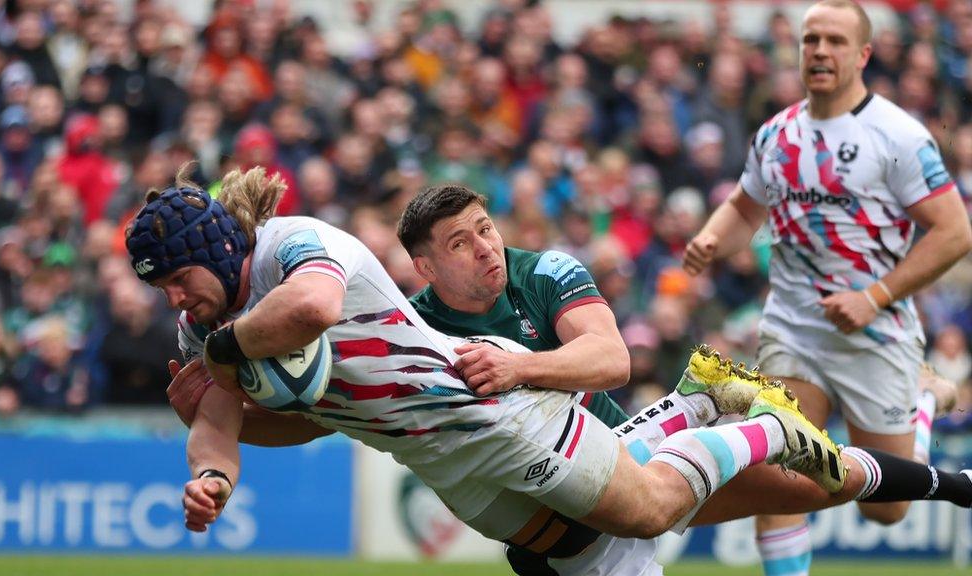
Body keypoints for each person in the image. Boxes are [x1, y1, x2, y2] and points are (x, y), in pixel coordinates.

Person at [162, 181, 972, 575]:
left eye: (486, 229)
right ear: (424, 265)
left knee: (835, 492)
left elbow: (611, 360)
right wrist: (212, 447)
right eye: (461, 241)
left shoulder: (543, 271)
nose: (484, 247)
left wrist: (519, 366)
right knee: (819, 486)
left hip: (598, 450)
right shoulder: (408, 322)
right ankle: (723, 409)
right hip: (582, 476)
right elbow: (315, 414)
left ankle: (913, 460)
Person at [682, 2, 972, 575]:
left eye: (835, 40)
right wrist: (713, 237)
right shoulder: (777, 133)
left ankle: (923, 401)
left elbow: (955, 232)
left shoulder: (898, 136)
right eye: (811, 38)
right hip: (794, 325)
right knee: (782, 467)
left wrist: (874, 297)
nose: (819, 50)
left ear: (863, 54)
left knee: (886, 509)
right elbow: (745, 207)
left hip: (875, 329)